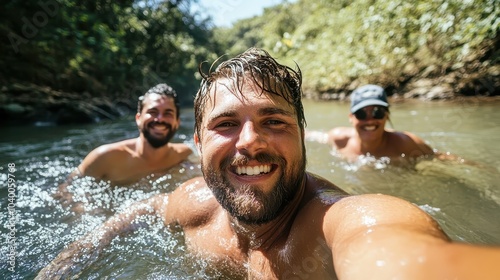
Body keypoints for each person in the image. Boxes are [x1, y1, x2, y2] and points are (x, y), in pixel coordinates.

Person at [37, 48, 500, 279]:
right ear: (197, 142)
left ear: (302, 133)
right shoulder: (195, 204)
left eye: (273, 120)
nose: (250, 143)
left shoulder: (342, 222)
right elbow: (142, 210)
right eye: (226, 125)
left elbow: (402, 251)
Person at [55, 83, 193, 205]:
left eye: (168, 113)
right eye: (152, 112)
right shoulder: (104, 157)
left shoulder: (184, 155)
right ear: (138, 118)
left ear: (177, 122)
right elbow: (65, 190)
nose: (160, 119)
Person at [306, 84, 438, 162]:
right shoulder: (338, 139)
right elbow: (311, 136)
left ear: (387, 115)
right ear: (351, 117)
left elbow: (440, 159)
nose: (370, 120)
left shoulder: (406, 143)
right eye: (362, 114)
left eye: (377, 112)